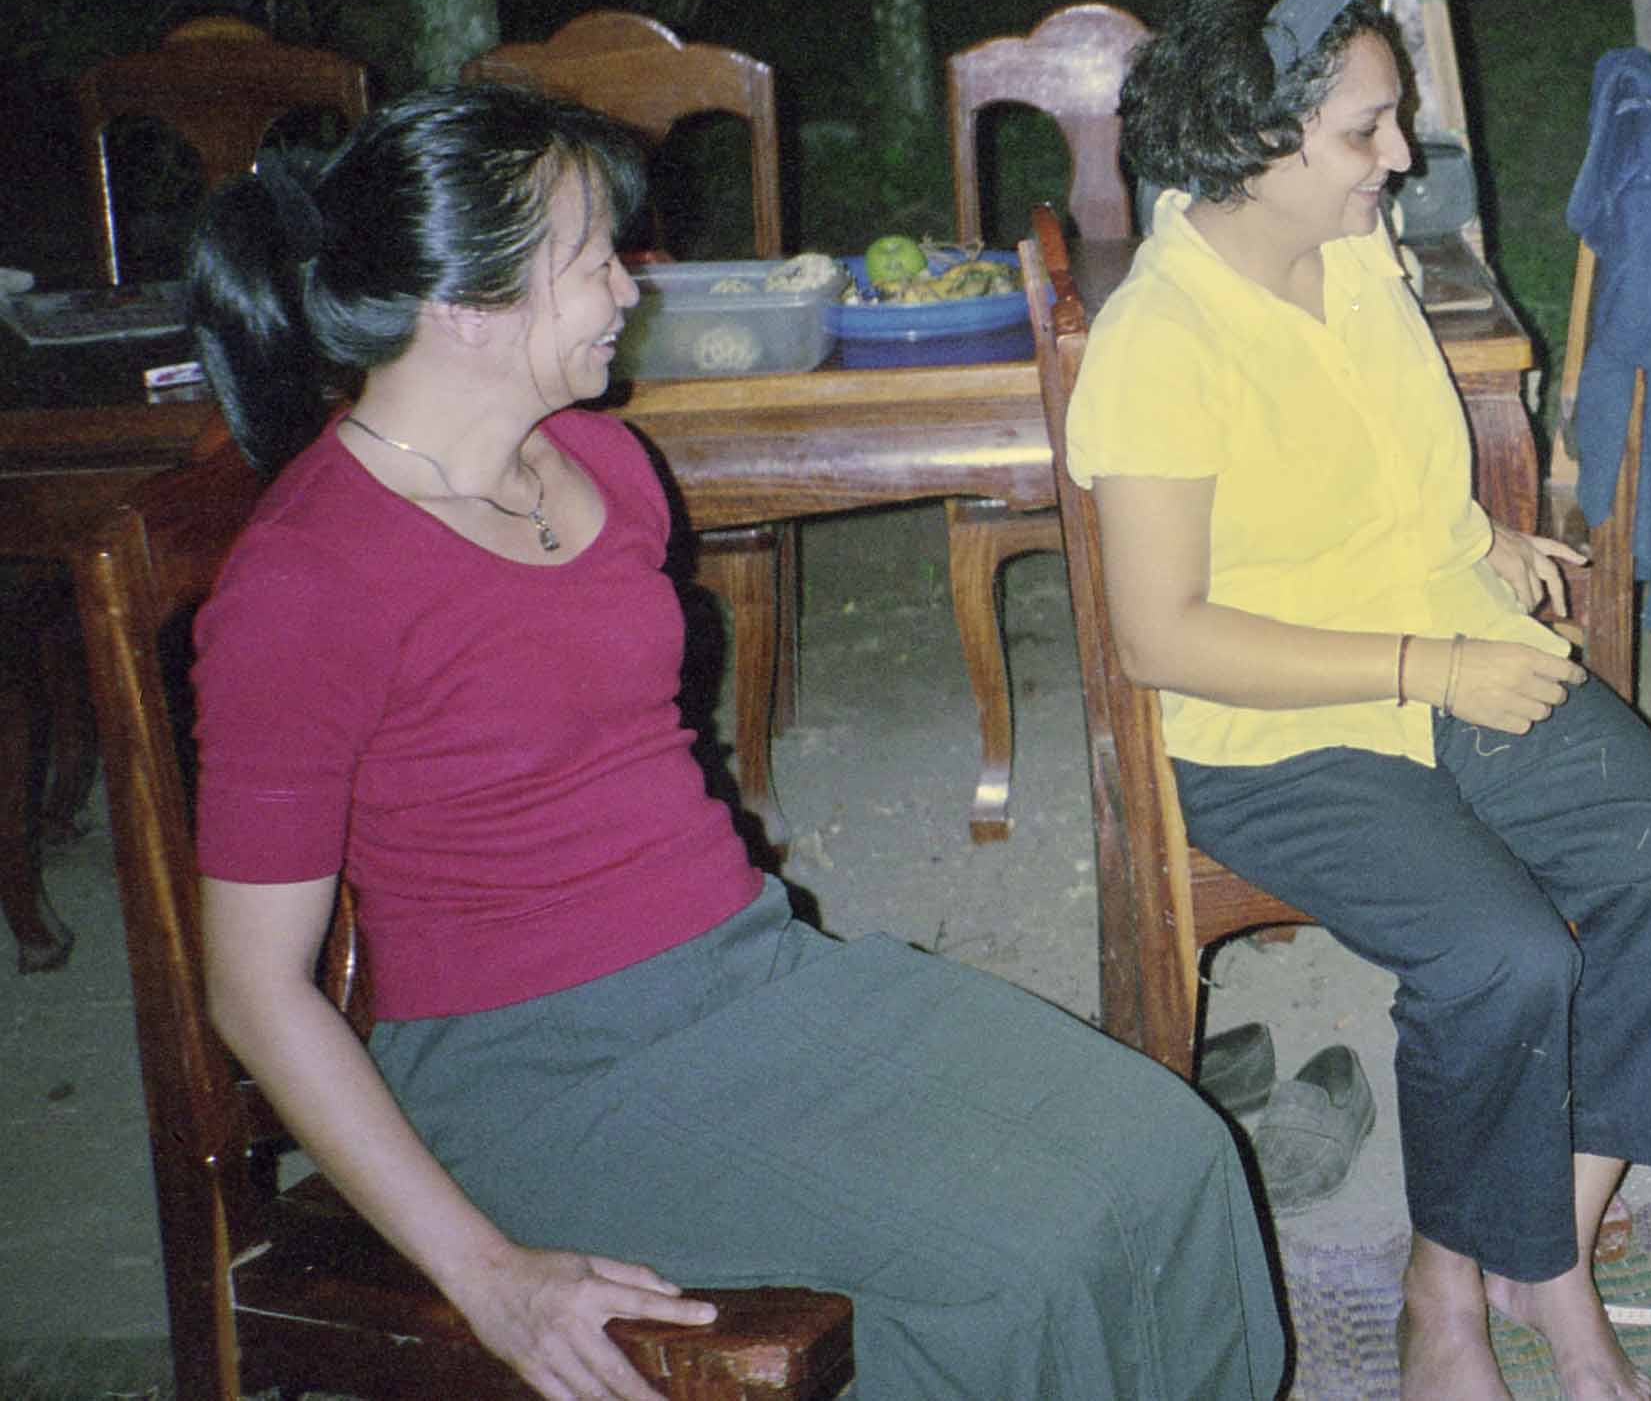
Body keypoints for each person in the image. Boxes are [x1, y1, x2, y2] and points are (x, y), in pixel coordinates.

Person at [184, 86, 1283, 1401]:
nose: (627, 289)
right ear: (465, 309)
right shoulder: (309, 580)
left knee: (1173, 1152)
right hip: (531, 1069)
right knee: (1009, 1268)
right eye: (591, 259)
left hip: (748, 967)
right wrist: (489, 1275)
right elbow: (254, 988)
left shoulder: (603, 465)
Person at [1066, 0, 1651, 1401]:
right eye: (1366, 129)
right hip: (1275, 728)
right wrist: (1427, 660)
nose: (1400, 155)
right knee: (1503, 954)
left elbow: (1372, 465)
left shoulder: (1357, 248)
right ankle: (1447, 1298)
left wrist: (1477, 538)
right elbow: (1163, 637)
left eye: (1396, 120)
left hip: (1439, 641)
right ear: (1257, 140)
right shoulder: (1160, 338)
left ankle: (1520, 1249)